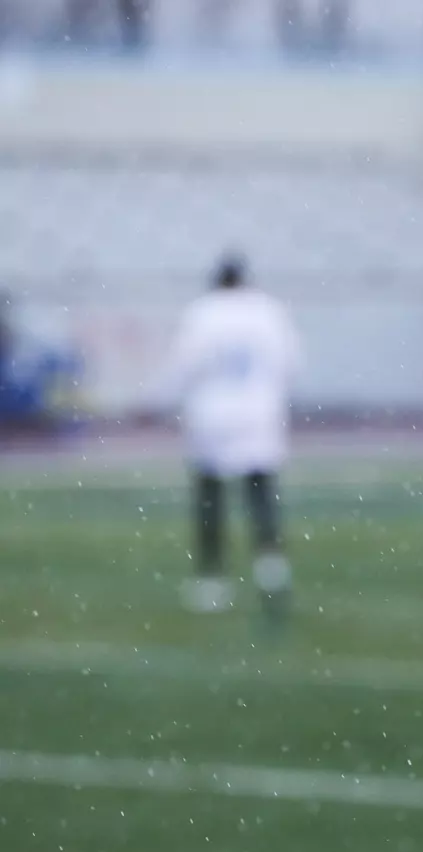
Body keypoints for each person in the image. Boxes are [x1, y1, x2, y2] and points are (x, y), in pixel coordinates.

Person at [160, 253, 302, 615]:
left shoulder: (203, 313)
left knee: (211, 495)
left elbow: (184, 365)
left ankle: (213, 579)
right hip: (259, 409)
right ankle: (270, 566)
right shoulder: (268, 311)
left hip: (214, 410)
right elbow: (290, 362)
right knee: (261, 488)